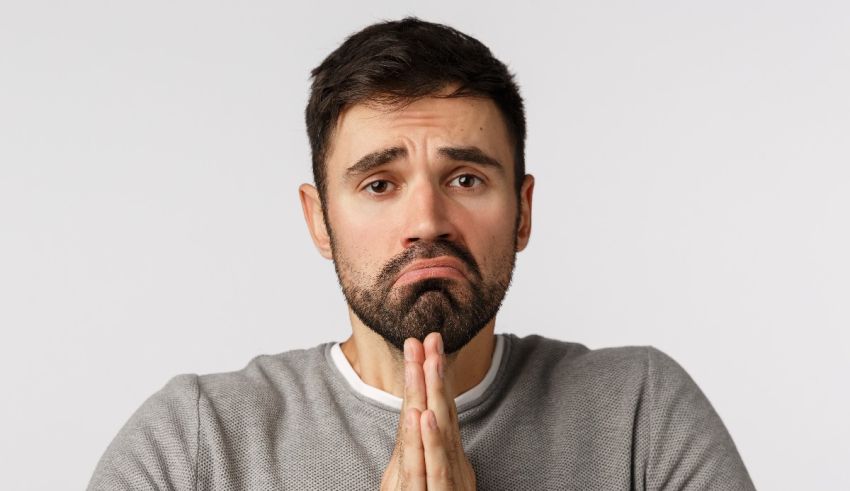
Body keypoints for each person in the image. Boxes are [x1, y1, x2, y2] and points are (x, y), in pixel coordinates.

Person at [88, 17, 755, 490]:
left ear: (523, 211)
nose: (427, 222)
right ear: (319, 222)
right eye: (379, 184)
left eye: (465, 179)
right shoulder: (195, 442)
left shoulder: (641, 415)